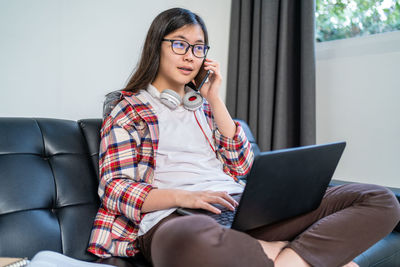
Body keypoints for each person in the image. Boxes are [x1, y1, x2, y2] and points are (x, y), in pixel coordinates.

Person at [87, 7, 400, 267]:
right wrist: (187, 198)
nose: (190, 56)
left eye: (199, 47)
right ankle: (288, 252)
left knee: (379, 199)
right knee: (189, 238)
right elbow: (115, 188)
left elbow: (244, 169)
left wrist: (215, 100)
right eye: (179, 44)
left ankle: (289, 259)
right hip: (176, 217)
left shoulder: (205, 108)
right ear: (157, 46)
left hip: (242, 209)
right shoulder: (128, 109)